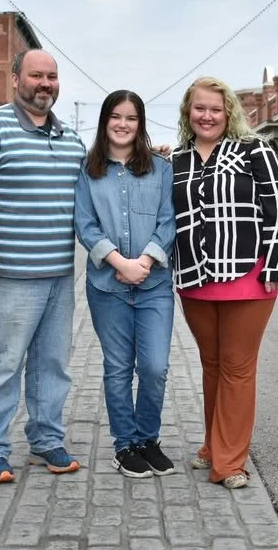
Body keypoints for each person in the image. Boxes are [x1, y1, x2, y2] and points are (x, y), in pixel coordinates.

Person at [0, 49, 85, 484]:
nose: (45, 83)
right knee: (4, 364)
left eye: (52, 76)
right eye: (36, 75)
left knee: (53, 364)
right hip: (9, 277)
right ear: (15, 79)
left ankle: (46, 440)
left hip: (59, 276)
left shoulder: (71, 139)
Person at [171, 76, 278, 489]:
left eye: (215, 109)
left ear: (228, 113)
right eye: (200, 108)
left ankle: (229, 463)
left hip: (248, 275)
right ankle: (212, 445)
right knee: (212, 365)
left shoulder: (254, 149)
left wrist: (274, 265)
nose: (207, 116)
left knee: (237, 367)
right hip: (194, 277)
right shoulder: (177, 160)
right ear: (188, 111)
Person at [74, 90, 177, 478]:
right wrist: (119, 263)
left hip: (154, 285)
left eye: (131, 118)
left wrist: (144, 263)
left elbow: (169, 220)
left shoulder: (161, 169)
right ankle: (125, 444)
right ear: (105, 121)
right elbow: (85, 224)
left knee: (154, 367)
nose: (123, 124)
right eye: (116, 116)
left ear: (141, 123)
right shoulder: (87, 170)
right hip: (107, 286)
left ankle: (148, 439)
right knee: (118, 367)